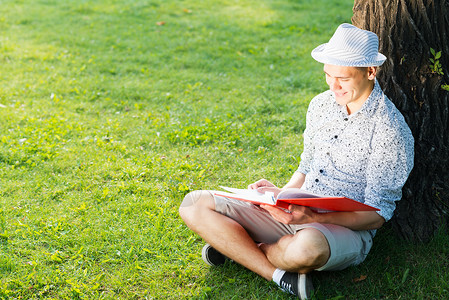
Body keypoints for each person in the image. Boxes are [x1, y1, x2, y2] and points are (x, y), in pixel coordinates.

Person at [178, 23, 414, 299]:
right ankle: (279, 275)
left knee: (306, 250)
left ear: (370, 72)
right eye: (328, 75)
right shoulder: (320, 105)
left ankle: (241, 247)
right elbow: (306, 166)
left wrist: (312, 217)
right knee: (194, 204)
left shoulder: (390, 130)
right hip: (296, 211)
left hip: (341, 230)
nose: (333, 86)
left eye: (343, 79)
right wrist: (282, 195)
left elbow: (376, 216)